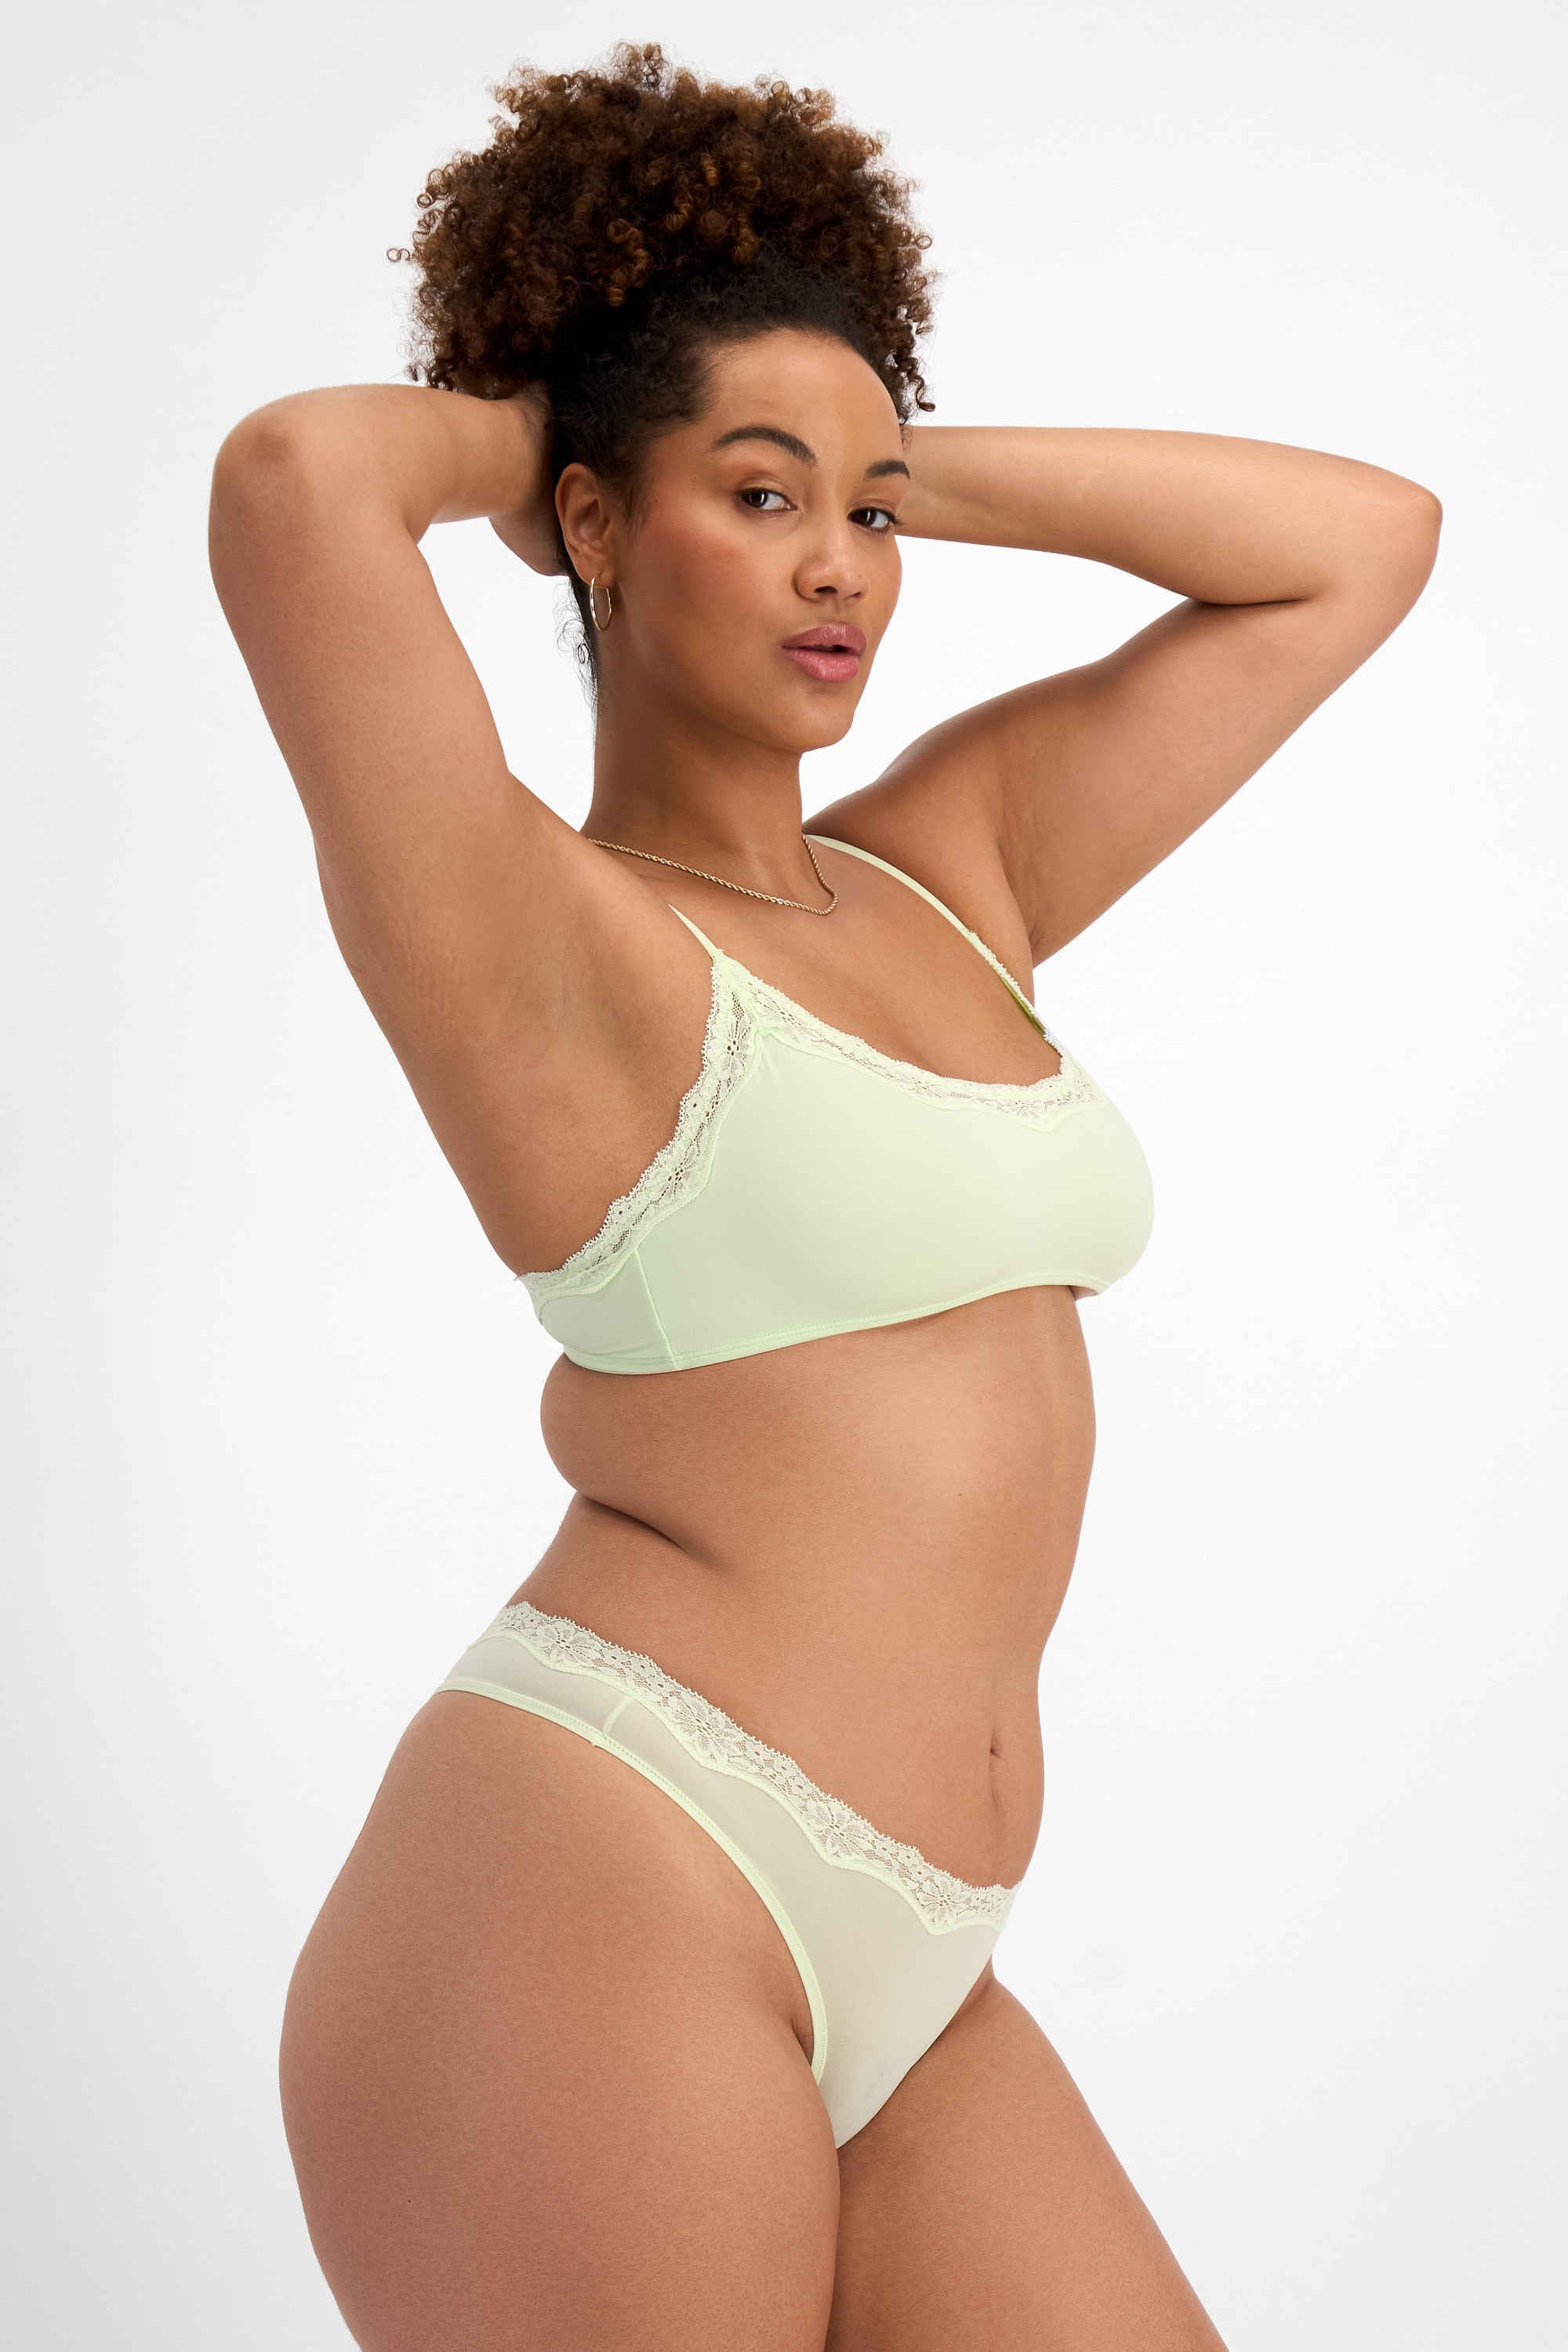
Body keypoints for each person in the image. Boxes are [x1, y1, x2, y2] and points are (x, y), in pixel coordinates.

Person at [209, 43, 1439, 2352]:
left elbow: (1358, 543)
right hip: (605, 1889)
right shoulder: (537, 934)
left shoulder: (955, 873)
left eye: (865, 519)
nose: (840, 567)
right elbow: (294, 479)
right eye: (758, 500)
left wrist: (865, 450)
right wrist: (565, 423)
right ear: (591, 524)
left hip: (921, 1952)